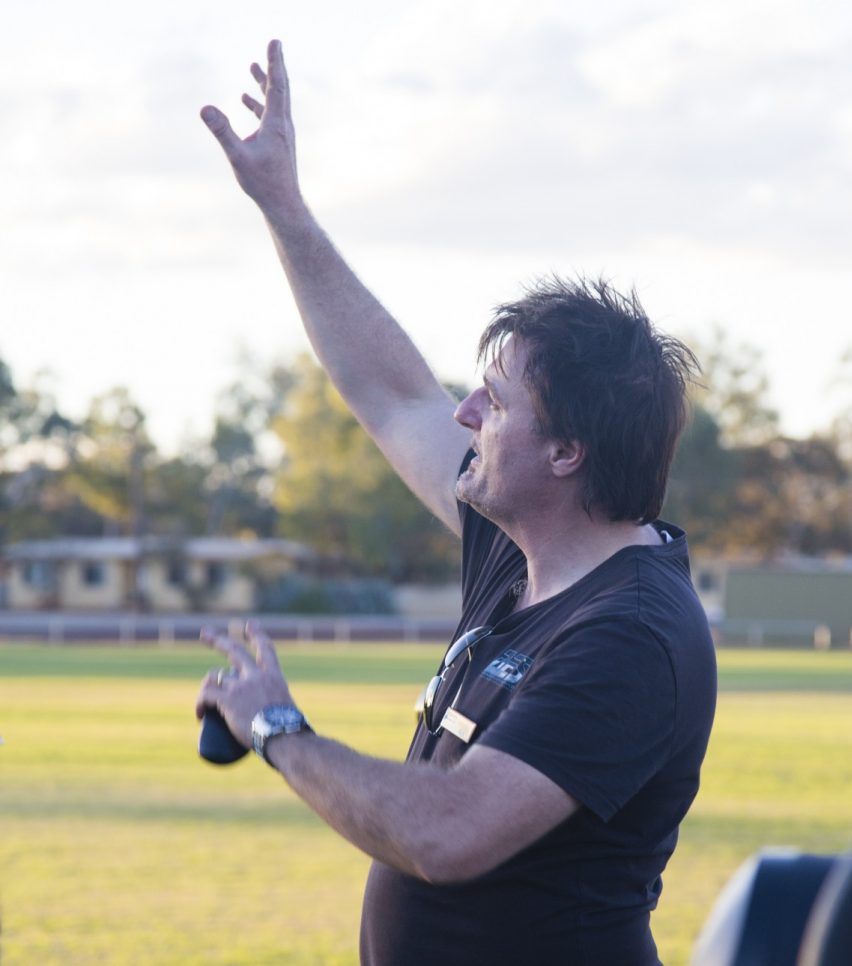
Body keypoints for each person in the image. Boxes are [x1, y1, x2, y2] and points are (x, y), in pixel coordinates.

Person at [195, 40, 717, 966]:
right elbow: (390, 392)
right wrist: (284, 209)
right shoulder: (522, 549)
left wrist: (278, 728)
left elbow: (450, 833)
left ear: (566, 453)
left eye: (497, 402)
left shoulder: (629, 635)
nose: (466, 414)